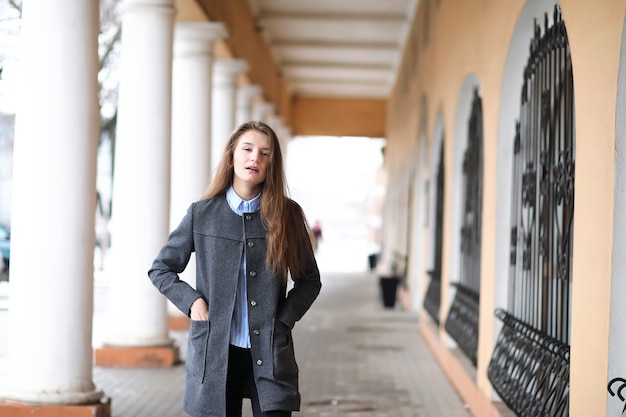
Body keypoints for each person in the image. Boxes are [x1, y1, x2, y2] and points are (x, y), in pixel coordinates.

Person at [148, 121, 322, 417]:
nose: (255, 158)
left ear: (272, 164)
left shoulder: (287, 215)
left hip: (268, 350)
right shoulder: (202, 214)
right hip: (216, 350)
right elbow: (161, 269)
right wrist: (192, 302)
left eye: (265, 153)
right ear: (232, 156)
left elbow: (309, 281)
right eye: (248, 149)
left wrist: (283, 319)